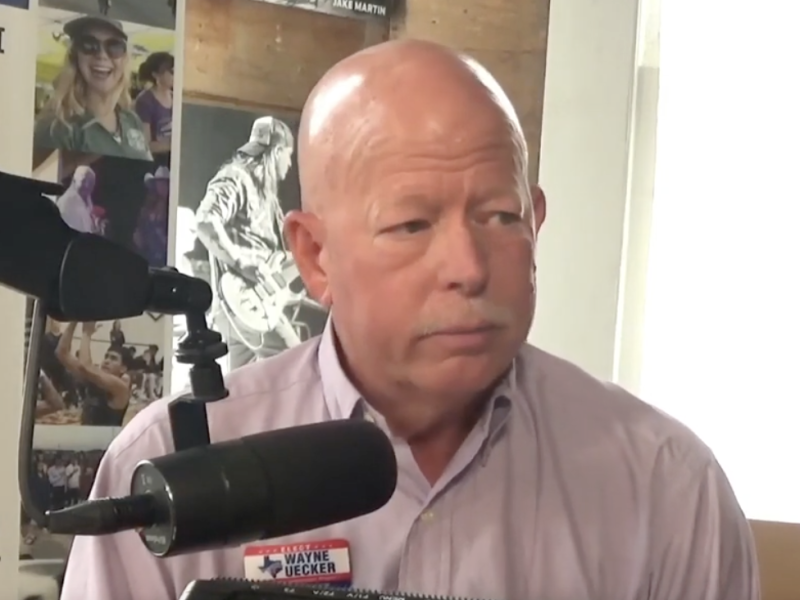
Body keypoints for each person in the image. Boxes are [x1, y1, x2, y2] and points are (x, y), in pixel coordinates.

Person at [61, 40, 759, 600]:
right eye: (412, 225)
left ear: (537, 222)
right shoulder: (167, 472)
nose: (469, 268)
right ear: (315, 255)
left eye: (501, 216)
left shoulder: (667, 485)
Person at [194, 116, 322, 369]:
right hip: (243, 300)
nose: (289, 164)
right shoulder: (236, 177)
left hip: (248, 309)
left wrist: (282, 288)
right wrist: (242, 263)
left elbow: (267, 256)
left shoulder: (265, 193)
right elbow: (206, 221)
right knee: (301, 368)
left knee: (241, 384)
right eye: (288, 156)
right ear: (276, 152)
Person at [34, 15, 152, 161]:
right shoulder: (58, 128)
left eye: (114, 46)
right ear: (75, 56)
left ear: (124, 59)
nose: (101, 55)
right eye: (88, 45)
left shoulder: (132, 120)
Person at [55, 321, 131, 426]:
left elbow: (85, 366)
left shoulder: (120, 388)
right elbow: (61, 352)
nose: (107, 361)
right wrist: (73, 320)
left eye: (113, 358)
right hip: (86, 434)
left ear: (123, 369)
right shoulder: (93, 379)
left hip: (106, 436)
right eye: (106, 356)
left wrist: (87, 333)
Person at [134, 52, 174, 163]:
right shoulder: (145, 101)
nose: (176, 75)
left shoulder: (176, 97)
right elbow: (145, 145)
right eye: (171, 72)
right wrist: (174, 145)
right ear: (156, 75)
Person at [134, 166, 170, 266]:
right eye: (159, 183)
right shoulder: (149, 204)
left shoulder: (172, 206)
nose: (161, 186)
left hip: (165, 255)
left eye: (164, 183)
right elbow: (140, 229)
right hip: (149, 254)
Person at [55, 166, 105, 234]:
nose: (87, 185)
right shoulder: (66, 202)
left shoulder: (88, 205)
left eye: (91, 182)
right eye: (83, 181)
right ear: (74, 181)